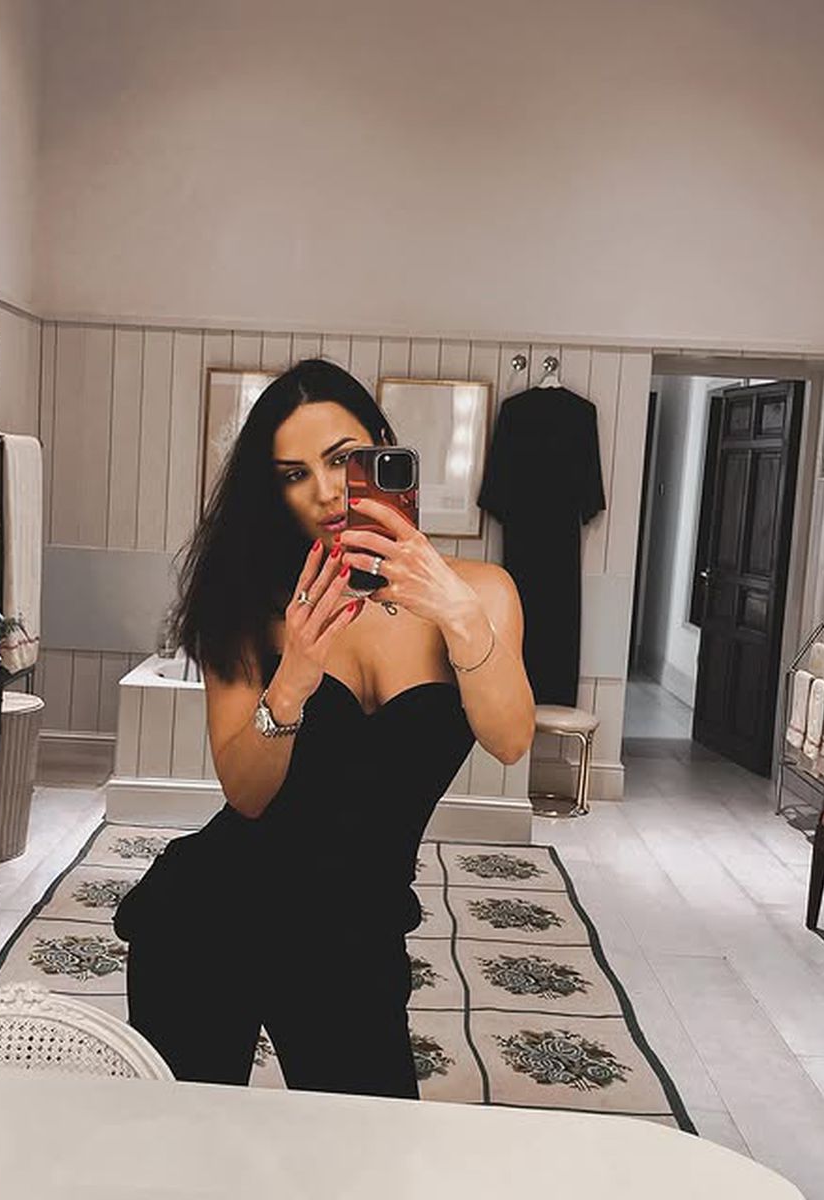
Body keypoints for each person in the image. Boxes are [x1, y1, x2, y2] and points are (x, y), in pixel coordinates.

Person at [113, 359, 535, 1099]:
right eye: (293, 474)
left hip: (358, 934)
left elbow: (509, 739)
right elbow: (246, 795)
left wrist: (458, 617)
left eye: (342, 459)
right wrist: (294, 679)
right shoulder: (248, 602)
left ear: (382, 447)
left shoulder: (481, 593)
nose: (326, 490)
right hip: (212, 922)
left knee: (368, 1150)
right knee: (188, 1146)